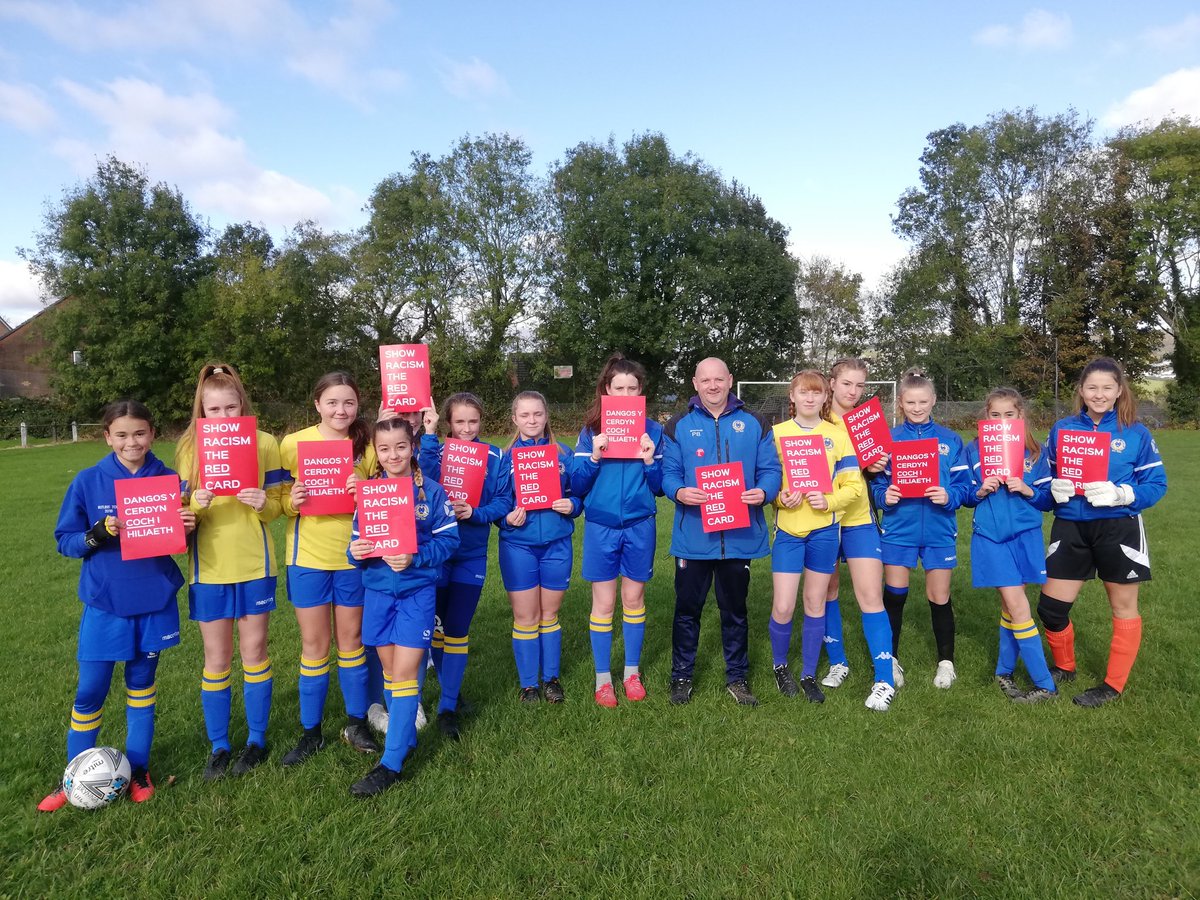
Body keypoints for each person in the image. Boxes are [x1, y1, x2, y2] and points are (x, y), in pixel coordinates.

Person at [39, 400, 196, 811]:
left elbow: (180, 541)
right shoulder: (89, 481)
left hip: (153, 599)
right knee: (90, 690)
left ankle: (139, 771)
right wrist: (96, 534)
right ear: (107, 436)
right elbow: (65, 541)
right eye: (122, 435)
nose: (132, 442)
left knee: (141, 687)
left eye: (140, 433)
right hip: (106, 601)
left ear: (152, 434)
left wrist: (190, 526)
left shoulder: (169, 479)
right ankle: (72, 776)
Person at [174, 363, 286, 779]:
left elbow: (279, 505)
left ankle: (257, 739)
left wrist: (264, 503)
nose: (223, 417)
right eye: (214, 410)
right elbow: (178, 517)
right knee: (216, 658)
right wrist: (196, 504)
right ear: (202, 411)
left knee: (254, 653)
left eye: (231, 408)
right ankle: (219, 746)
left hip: (255, 564)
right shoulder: (190, 448)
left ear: (243, 406)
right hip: (209, 568)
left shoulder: (265, 442)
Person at [1040, 357, 1167, 707]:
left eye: (1107, 388)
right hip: (1071, 524)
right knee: (1051, 608)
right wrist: (1052, 489)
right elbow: (1039, 484)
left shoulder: (1136, 432)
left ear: (1119, 391)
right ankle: (1065, 667)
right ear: (1081, 391)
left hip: (1118, 527)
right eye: (1092, 387)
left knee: (1123, 607)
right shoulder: (1062, 429)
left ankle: (1112, 685)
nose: (1099, 394)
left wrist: (1123, 494)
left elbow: (1157, 484)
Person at [347, 418, 459, 796]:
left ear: (412, 447)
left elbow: (449, 543)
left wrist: (417, 557)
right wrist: (357, 553)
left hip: (416, 595)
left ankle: (391, 763)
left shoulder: (432, 493)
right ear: (375, 454)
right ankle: (405, 738)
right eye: (384, 448)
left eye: (400, 446)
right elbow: (355, 543)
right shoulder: (371, 494)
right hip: (378, 595)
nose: (393, 454)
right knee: (392, 671)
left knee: (407, 674)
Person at [661, 357, 781, 706]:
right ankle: (681, 676)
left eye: (719, 379)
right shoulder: (677, 425)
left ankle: (737, 677)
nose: (713, 386)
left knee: (735, 610)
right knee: (687, 610)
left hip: (739, 536)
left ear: (730, 380)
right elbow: (668, 473)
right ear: (695, 384)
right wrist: (680, 492)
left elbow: (770, 469)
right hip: (694, 538)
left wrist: (764, 492)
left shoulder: (755, 422)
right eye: (706, 380)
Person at [278, 372, 379, 766]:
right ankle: (310, 732)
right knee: (315, 647)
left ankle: (355, 724)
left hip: (354, 557)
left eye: (349, 403)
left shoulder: (367, 445)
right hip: (307, 559)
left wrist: (364, 490)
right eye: (333, 402)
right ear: (317, 404)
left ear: (358, 406)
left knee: (351, 643)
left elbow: (386, 502)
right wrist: (293, 501)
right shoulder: (293, 444)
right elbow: (279, 499)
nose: (341, 410)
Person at [868, 368, 971, 689]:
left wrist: (949, 495)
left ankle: (946, 663)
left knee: (939, 596)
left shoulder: (951, 440)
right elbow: (875, 484)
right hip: (900, 528)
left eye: (923, 401)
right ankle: (891, 659)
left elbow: (965, 488)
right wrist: (885, 495)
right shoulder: (888, 439)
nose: (917, 407)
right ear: (900, 402)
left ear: (934, 400)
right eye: (910, 402)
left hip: (939, 530)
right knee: (895, 595)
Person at [570, 354, 663, 708]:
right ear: (607, 389)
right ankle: (603, 679)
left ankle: (631, 673)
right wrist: (594, 458)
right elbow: (576, 486)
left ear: (641, 391)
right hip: (601, 526)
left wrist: (650, 461)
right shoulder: (590, 431)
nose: (625, 394)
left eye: (632, 388)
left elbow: (658, 488)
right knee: (604, 603)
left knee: (634, 600)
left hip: (640, 525)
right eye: (618, 387)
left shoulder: (652, 431)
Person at [768, 370, 862, 704]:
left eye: (816, 392)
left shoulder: (838, 435)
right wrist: (781, 498)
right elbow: (768, 482)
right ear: (791, 397)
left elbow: (854, 485)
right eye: (803, 393)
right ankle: (780, 667)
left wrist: (830, 501)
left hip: (824, 531)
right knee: (782, 605)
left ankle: (808, 673)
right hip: (790, 532)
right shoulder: (776, 435)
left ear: (825, 397)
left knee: (814, 602)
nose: (810, 398)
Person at [416, 392, 508, 737]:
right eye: (459, 422)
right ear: (449, 423)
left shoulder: (494, 456)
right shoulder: (435, 451)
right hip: (437, 554)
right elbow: (420, 481)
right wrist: (429, 434)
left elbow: (503, 500)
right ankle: (422, 699)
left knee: (456, 630)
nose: (467, 428)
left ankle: (448, 708)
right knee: (433, 629)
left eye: (473, 421)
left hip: (471, 555)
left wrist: (476, 513)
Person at [963, 388, 1057, 703]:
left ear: (1020, 416)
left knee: (1010, 606)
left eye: (1009, 414)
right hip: (990, 536)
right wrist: (979, 490)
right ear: (985, 417)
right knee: (1017, 605)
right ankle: (1045, 684)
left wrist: (1027, 489)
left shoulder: (1035, 452)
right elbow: (962, 493)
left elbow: (1048, 500)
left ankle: (1004, 670)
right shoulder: (974, 450)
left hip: (1027, 534)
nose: (1002, 420)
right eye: (995, 415)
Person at [495, 391, 582, 703]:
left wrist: (570, 504)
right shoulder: (504, 459)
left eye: (537, 414)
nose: (532, 421)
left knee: (550, 614)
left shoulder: (563, 454)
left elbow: (579, 494)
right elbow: (496, 504)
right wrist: (506, 519)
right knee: (525, 616)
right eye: (525, 415)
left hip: (557, 545)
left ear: (546, 416)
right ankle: (529, 684)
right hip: (518, 547)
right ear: (515, 419)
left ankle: (552, 679)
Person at [821, 358, 897, 711]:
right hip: (822, 518)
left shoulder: (866, 424)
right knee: (829, 590)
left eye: (859, 385)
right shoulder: (816, 421)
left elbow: (882, 474)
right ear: (832, 383)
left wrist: (877, 467)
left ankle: (884, 677)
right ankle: (838, 661)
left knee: (870, 595)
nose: (853, 391)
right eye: (847, 383)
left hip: (860, 518)